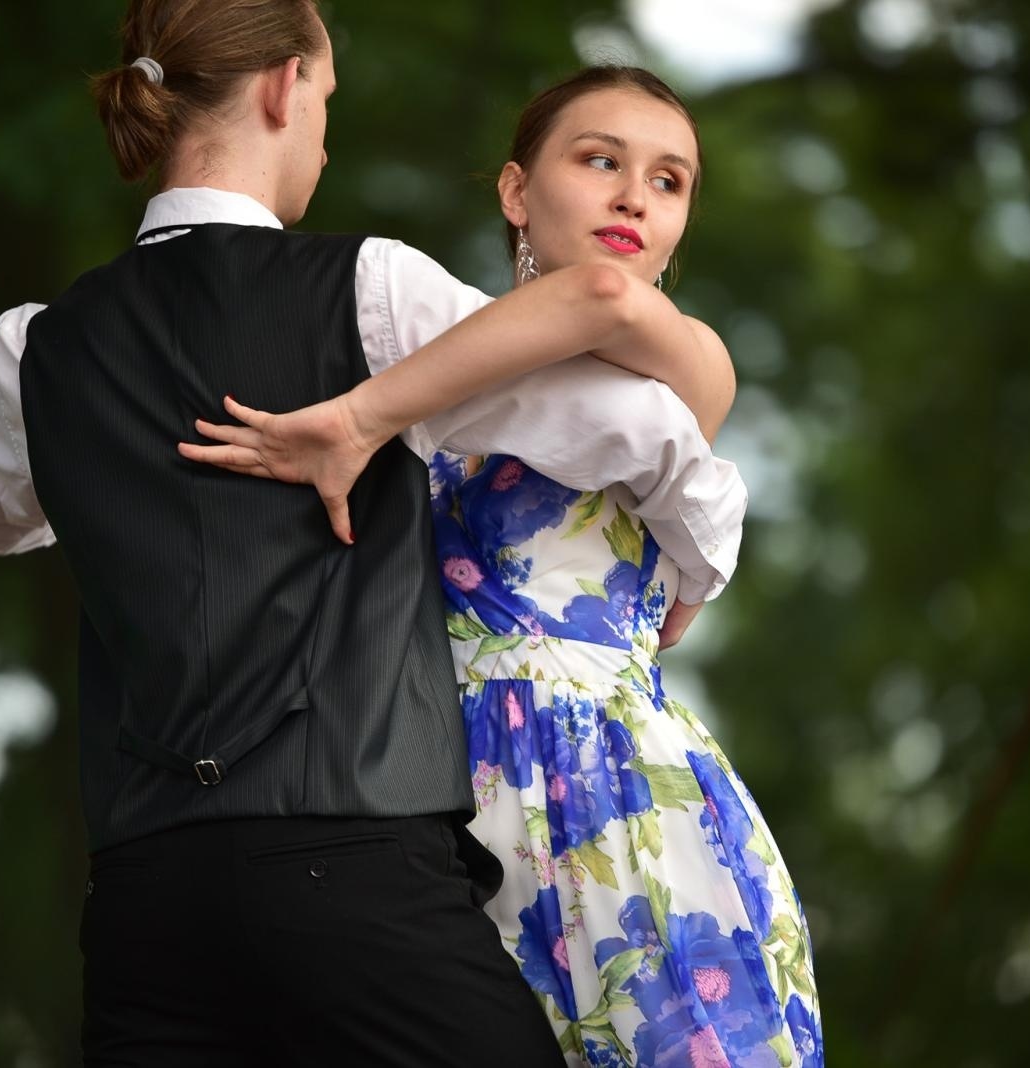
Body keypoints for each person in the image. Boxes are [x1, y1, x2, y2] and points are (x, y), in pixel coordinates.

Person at [0, 2, 749, 1064]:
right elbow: (645, 434)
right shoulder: (371, 291)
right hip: (359, 874)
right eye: (324, 99)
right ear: (283, 88)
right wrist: (698, 555)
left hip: (142, 902)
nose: (323, 133)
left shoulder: (33, 347)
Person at [185, 67, 825, 1067]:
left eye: (668, 182)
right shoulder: (412, 348)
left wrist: (359, 420)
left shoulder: (691, 363)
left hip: (607, 789)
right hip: (420, 794)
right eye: (599, 160)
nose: (632, 196)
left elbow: (602, 298)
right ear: (516, 192)